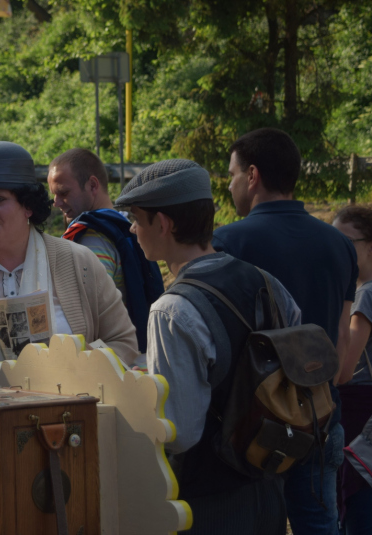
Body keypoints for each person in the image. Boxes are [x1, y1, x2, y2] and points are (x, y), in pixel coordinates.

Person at [115, 158, 300, 534]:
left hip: (210, 504)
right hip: (269, 485)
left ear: (163, 224)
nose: (133, 229)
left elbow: (180, 431)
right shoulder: (265, 281)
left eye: (136, 217)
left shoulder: (170, 310)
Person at [212, 128, 356, 534]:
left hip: (252, 425)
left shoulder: (228, 242)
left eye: (232, 174)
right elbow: (342, 355)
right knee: (320, 524)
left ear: (252, 175)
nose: (230, 184)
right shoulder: (339, 244)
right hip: (321, 415)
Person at [0, 134, 139, 389]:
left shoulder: (80, 263)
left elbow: (122, 342)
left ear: (28, 207)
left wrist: (83, 364)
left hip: (69, 417)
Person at [48, 148, 164, 352]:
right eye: (54, 195)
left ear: (92, 185)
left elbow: (84, 315)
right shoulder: (123, 225)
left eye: (64, 193)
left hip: (106, 360)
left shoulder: (91, 238)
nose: (56, 203)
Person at [332, 206, 372, 534]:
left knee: (358, 505)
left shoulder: (366, 295)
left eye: (346, 242)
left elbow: (345, 368)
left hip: (360, 411)